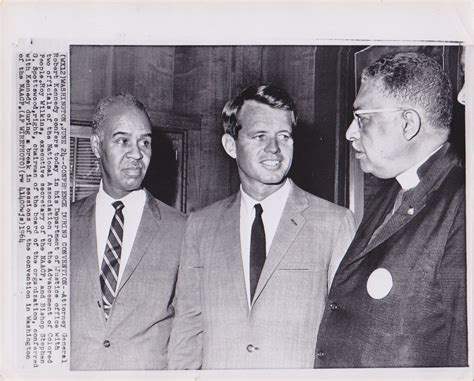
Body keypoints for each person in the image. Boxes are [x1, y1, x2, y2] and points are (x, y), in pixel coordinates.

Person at [168, 84, 356, 369]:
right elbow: (187, 330)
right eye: (260, 136)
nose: (274, 148)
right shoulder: (201, 226)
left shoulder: (333, 223)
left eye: (284, 136)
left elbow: (346, 333)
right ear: (231, 145)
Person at [314, 52, 467, 368]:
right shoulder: (390, 192)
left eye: (362, 118)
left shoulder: (463, 205)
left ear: (408, 124)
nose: (349, 133)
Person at [70, 94, 186, 370]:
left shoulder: (182, 229)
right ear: (97, 146)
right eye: (123, 141)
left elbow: (190, 330)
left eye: (144, 142)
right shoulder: (60, 224)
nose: (136, 154)